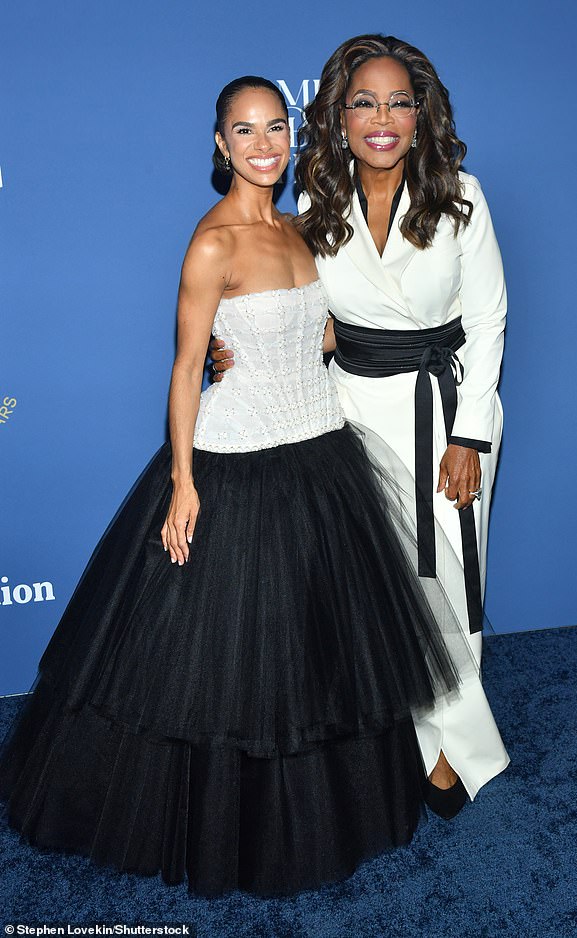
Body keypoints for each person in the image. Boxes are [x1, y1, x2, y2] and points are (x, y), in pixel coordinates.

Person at [0, 76, 471, 898]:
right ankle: (235, 832)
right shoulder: (212, 242)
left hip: (321, 453)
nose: (263, 144)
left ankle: (344, 808)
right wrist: (183, 482)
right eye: (243, 131)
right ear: (220, 145)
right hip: (238, 458)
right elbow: (186, 369)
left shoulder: (299, 230)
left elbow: (321, 331)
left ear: (292, 136)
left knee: (322, 647)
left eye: (275, 127)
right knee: (231, 663)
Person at [210, 36, 510, 818]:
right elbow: (316, 318)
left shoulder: (461, 196)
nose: (383, 119)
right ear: (338, 116)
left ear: (421, 114)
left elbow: (486, 318)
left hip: (446, 410)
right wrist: (235, 346)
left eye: (399, 102)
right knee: (383, 589)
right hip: (348, 412)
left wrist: (470, 436)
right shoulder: (317, 207)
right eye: (364, 103)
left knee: (452, 581)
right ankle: (411, 736)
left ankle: (454, 752)